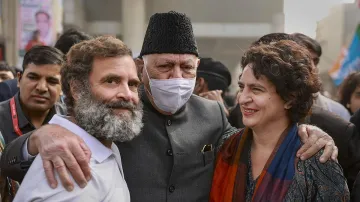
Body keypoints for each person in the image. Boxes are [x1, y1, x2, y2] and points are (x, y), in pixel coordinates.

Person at [1, 11, 337, 202]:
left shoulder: (213, 114)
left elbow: (254, 143)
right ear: (141, 67)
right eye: (164, 67)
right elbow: (14, 164)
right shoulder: (119, 113)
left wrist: (306, 132)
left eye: (186, 68)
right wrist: (37, 139)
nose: (177, 77)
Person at [211, 40, 350, 201]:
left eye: (256, 89)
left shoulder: (316, 160)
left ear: (290, 99)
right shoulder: (226, 147)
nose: (242, 98)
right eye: (242, 88)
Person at [13, 35, 142, 202]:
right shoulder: (72, 168)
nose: (127, 94)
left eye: (132, 84)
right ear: (77, 89)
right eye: (111, 81)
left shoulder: (103, 146)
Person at [0, 46, 63, 144]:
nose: (41, 88)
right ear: (19, 79)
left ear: (63, 87)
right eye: (33, 77)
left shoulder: (71, 121)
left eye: (52, 81)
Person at [291, 33, 351, 121]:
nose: (312, 67)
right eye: (304, 60)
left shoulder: (338, 113)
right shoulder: (270, 108)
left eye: (315, 61)